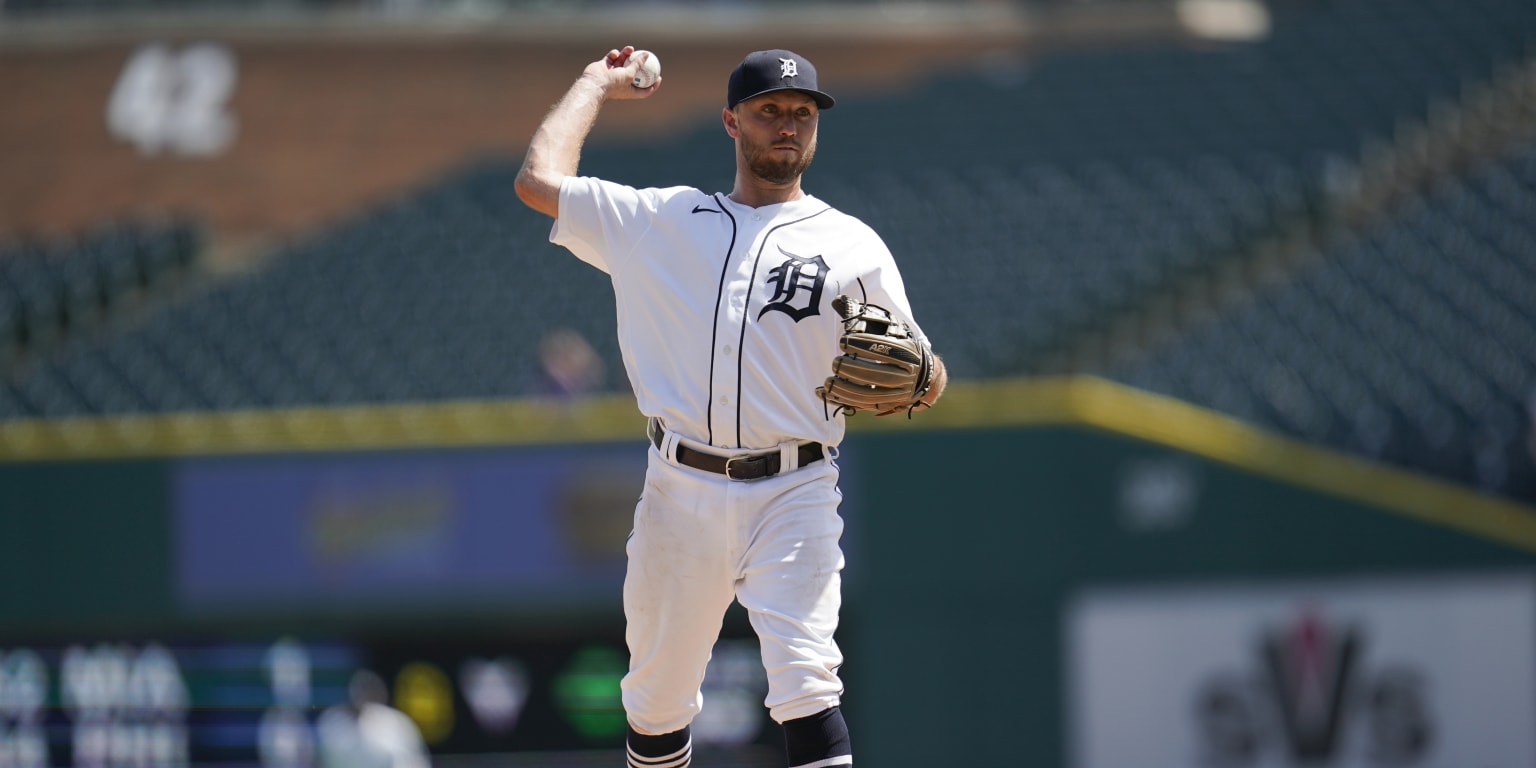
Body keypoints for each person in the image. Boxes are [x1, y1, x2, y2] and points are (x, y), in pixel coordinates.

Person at [514, 46, 946, 768]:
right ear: (730, 122)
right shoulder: (660, 220)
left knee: (808, 682)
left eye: (802, 114)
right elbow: (538, 181)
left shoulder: (851, 244)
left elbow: (923, 373)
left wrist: (926, 373)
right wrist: (593, 84)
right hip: (679, 487)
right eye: (769, 111)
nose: (788, 125)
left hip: (796, 487)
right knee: (654, 703)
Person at [315, 669, 430, 768]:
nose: (363, 699)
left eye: (368, 692)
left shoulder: (397, 723)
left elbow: (415, 761)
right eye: (360, 693)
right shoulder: (332, 722)